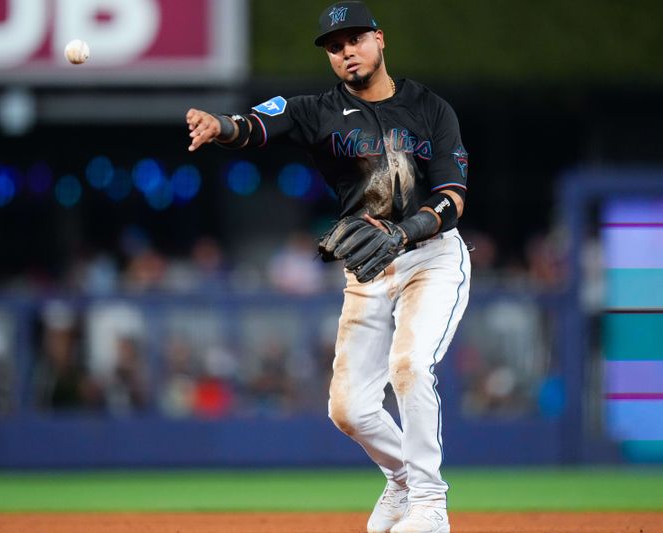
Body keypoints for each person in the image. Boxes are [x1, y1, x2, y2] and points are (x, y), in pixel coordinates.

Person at [185, 2, 470, 531]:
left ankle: (430, 505)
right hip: (368, 268)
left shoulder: (432, 109)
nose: (345, 52)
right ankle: (402, 481)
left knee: (408, 367)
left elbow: (454, 196)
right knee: (348, 409)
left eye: (355, 40)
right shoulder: (317, 110)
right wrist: (218, 125)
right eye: (335, 47)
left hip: (431, 259)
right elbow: (254, 126)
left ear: (379, 40)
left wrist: (406, 231)